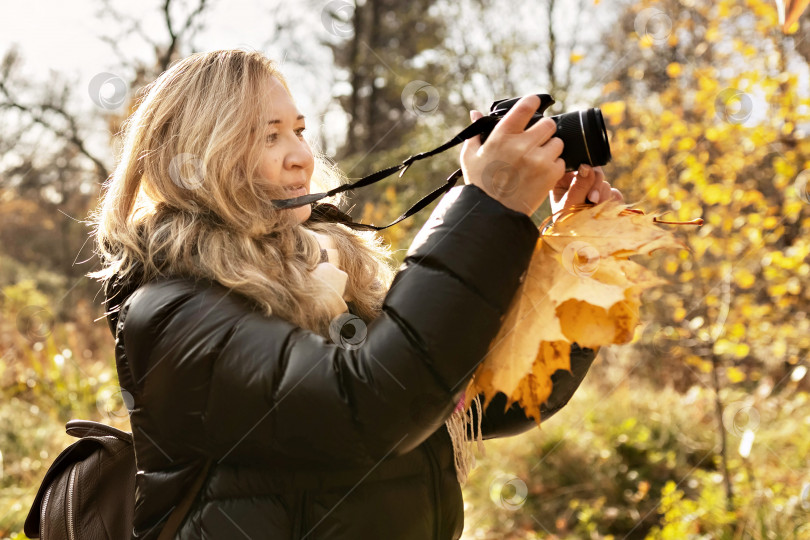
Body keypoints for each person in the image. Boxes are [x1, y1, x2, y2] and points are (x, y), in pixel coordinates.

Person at [89, 49, 623, 540]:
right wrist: (486, 206)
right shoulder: (173, 312)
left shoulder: (336, 280)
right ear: (197, 159)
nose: (300, 154)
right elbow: (369, 406)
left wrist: (577, 260)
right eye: (266, 135)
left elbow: (485, 398)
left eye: (299, 130)